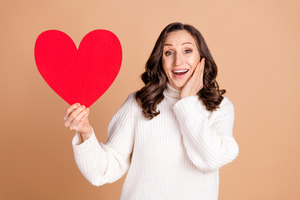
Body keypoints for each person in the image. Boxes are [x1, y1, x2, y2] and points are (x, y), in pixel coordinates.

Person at [63, 22, 239, 200]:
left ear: (201, 58)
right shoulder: (138, 104)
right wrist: (86, 133)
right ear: (160, 61)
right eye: (168, 52)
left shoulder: (220, 107)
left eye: (187, 51)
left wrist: (187, 103)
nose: (178, 61)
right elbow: (103, 171)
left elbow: (210, 160)